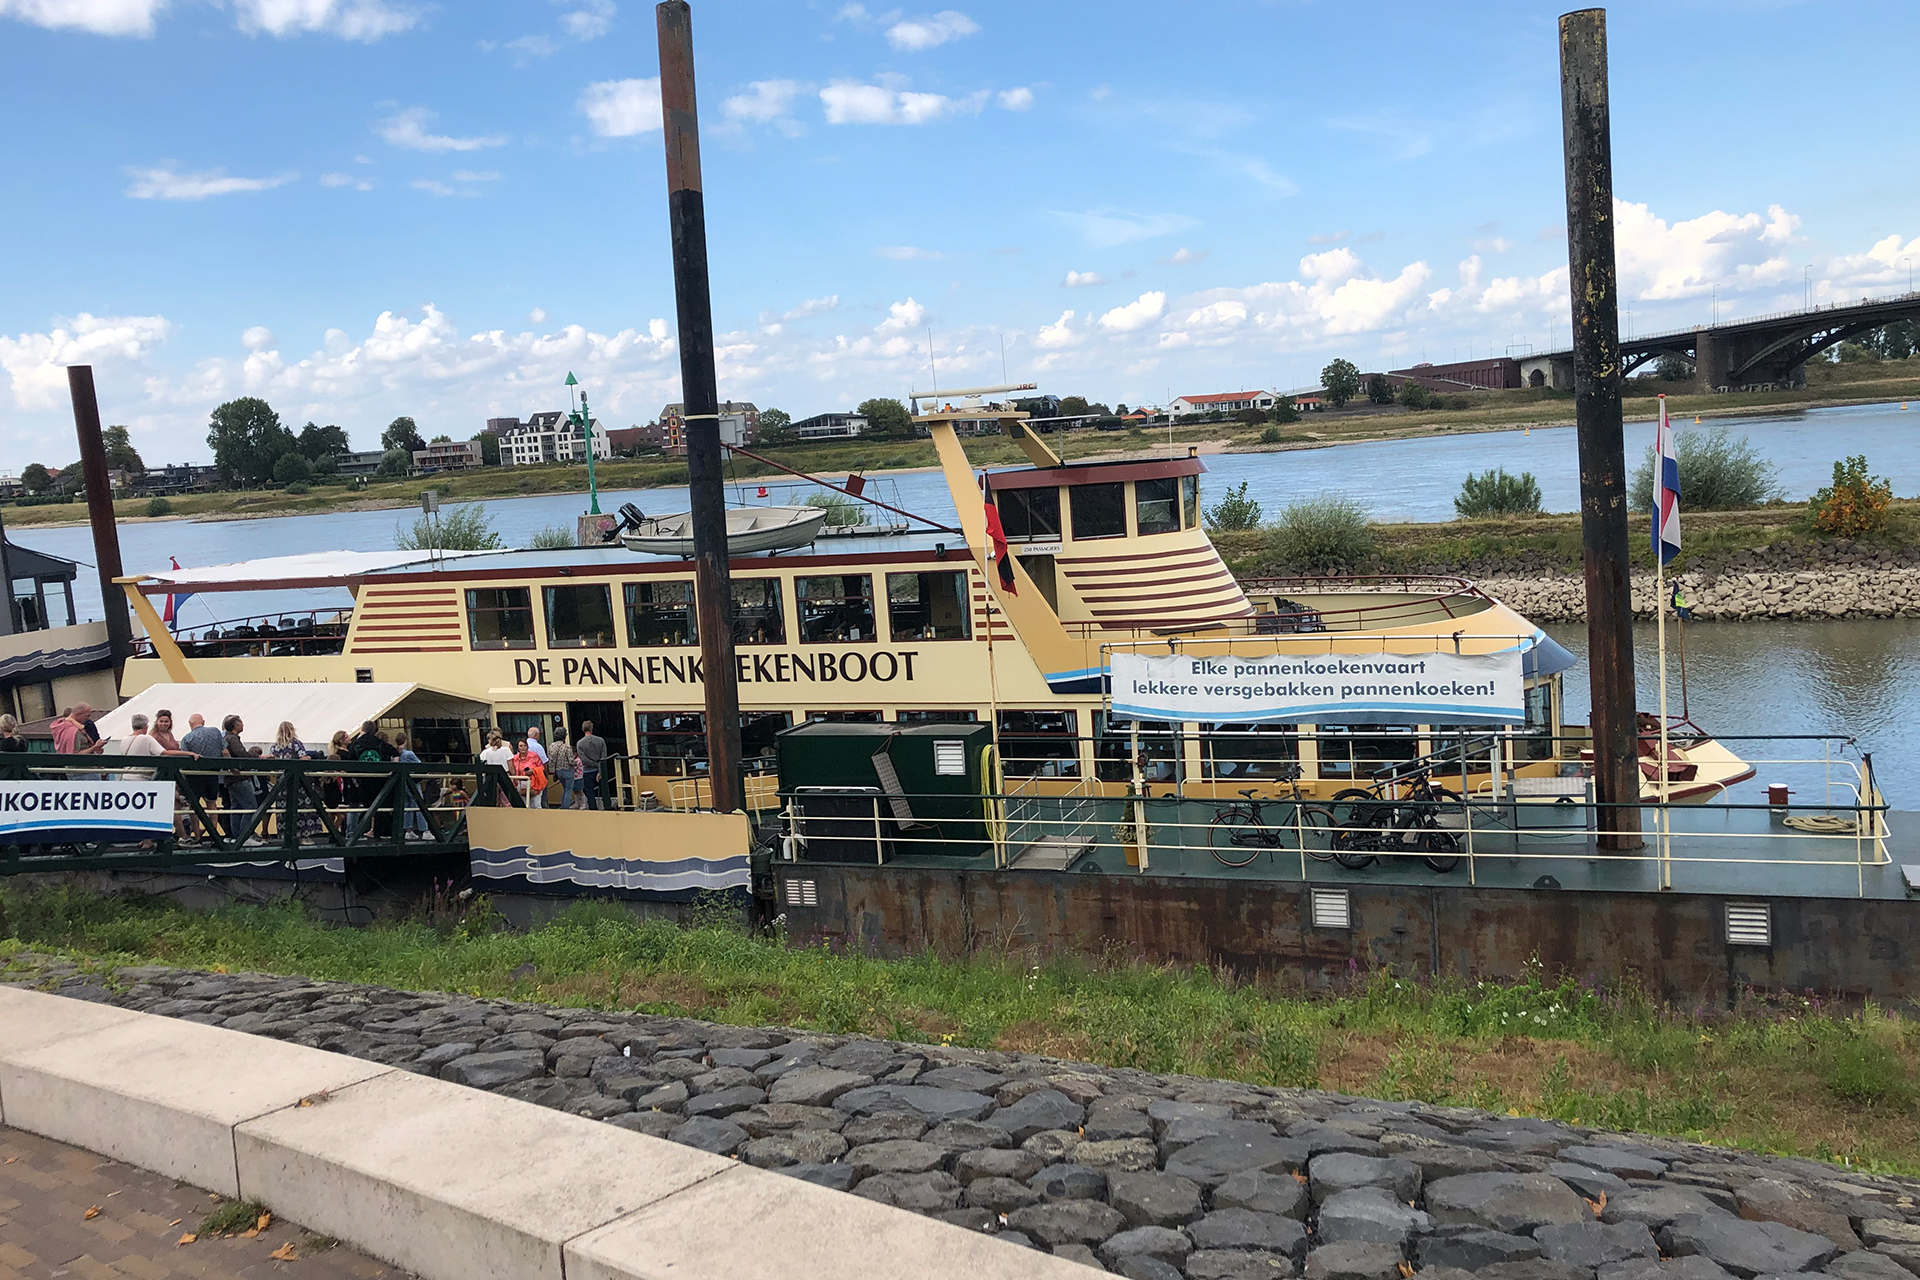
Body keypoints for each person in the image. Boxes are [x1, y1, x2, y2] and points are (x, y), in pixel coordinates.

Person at [346, 720, 397, 837]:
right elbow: (395, 753)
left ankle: (353, 834)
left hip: (363, 781)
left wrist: (355, 779)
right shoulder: (379, 742)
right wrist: (393, 771)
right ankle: (377, 832)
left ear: (362, 729)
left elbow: (348, 763)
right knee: (379, 806)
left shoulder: (355, 744)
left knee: (364, 807)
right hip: (379, 780)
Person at [179, 713, 227, 838]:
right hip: (212, 773)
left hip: (194, 775)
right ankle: (214, 834)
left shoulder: (186, 738)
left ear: (190, 724)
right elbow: (225, 752)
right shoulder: (215, 732)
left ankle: (197, 835)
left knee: (194, 805)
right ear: (203, 722)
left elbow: (184, 758)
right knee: (212, 804)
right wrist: (230, 767)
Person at [222, 714, 257, 841]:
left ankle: (235, 837)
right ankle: (244, 837)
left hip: (230, 779)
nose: (243, 724)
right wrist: (258, 757)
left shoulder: (226, 738)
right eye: (241, 723)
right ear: (236, 726)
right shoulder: (233, 739)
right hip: (239, 778)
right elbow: (241, 753)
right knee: (251, 806)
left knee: (235, 807)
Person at [394, 732, 426, 836]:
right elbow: (419, 766)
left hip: (403, 783)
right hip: (412, 782)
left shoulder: (395, 754)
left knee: (407, 805)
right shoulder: (409, 754)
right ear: (406, 741)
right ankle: (424, 829)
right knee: (419, 804)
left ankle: (408, 830)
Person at [575, 719, 606, 810]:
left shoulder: (579, 743)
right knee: (604, 790)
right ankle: (606, 807)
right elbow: (603, 757)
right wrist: (599, 768)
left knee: (589, 792)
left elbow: (583, 760)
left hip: (587, 771)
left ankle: (593, 809)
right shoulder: (600, 741)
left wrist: (594, 765)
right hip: (600, 769)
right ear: (592, 728)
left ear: (582, 729)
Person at [478, 730, 514, 805]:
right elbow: (511, 767)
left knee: (494, 801)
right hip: (505, 777)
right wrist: (514, 777)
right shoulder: (506, 750)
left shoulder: (485, 752)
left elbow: (481, 766)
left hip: (490, 778)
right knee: (507, 801)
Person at [510, 738, 547, 808]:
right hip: (520, 783)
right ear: (517, 748)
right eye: (521, 746)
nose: (523, 747)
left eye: (525, 745)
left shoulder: (534, 756)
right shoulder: (514, 758)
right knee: (524, 806)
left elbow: (542, 768)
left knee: (536, 805)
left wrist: (533, 771)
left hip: (534, 781)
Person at [547, 731, 578, 811]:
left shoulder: (551, 746)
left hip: (558, 771)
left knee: (564, 788)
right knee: (568, 790)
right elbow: (571, 761)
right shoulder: (566, 747)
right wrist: (576, 762)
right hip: (567, 770)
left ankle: (563, 806)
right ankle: (566, 808)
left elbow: (550, 760)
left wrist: (552, 770)